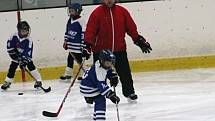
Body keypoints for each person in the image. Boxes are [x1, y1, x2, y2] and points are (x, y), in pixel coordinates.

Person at [82, 0, 152, 100]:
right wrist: (88, 45)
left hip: (119, 49)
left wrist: (138, 39)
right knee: (97, 74)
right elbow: (91, 30)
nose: (109, 0)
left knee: (125, 72)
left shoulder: (122, 11)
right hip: (101, 52)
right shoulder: (97, 13)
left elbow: (131, 27)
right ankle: (92, 94)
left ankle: (129, 92)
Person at [1, 21, 43, 90]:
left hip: (24, 56)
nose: (25, 32)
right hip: (15, 55)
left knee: (31, 65)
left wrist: (23, 61)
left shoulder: (29, 40)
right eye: (23, 31)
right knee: (12, 67)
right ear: (19, 30)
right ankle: (7, 82)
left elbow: (28, 53)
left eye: (26, 30)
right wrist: (16, 57)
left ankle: (38, 80)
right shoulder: (13, 37)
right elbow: (9, 49)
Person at [80, 49, 120, 121]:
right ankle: (100, 119)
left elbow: (107, 70)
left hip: (88, 85)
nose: (109, 65)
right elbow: (101, 85)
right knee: (100, 100)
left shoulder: (100, 64)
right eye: (107, 63)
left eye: (110, 63)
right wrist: (111, 95)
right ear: (102, 61)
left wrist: (112, 75)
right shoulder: (99, 70)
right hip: (89, 88)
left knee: (100, 99)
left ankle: (97, 117)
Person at [60, 3, 85, 82]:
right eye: (70, 11)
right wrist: (65, 41)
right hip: (71, 46)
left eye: (72, 11)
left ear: (78, 11)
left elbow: (83, 33)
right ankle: (68, 74)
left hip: (77, 46)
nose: (70, 13)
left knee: (79, 60)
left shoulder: (81, 21)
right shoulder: (70, 20)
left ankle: (83, 75)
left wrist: (83, 44)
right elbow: (67, 31)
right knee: (70, 59)